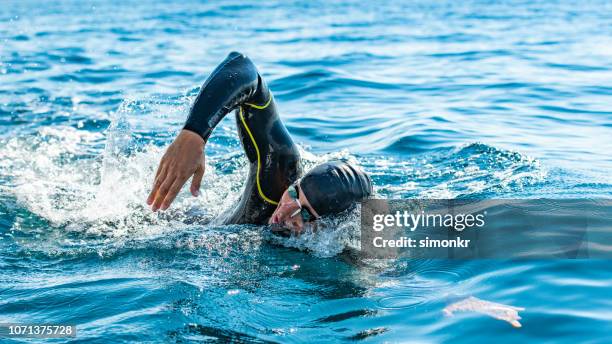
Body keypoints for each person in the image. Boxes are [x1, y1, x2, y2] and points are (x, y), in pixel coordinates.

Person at [146, 52, 372, 234]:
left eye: (304, 215)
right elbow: (243, 68)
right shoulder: (278, 177)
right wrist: (194, 134)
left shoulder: (343, 242)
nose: (284, 213)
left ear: (332, 226)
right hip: (172, 223)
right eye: (294, 195)